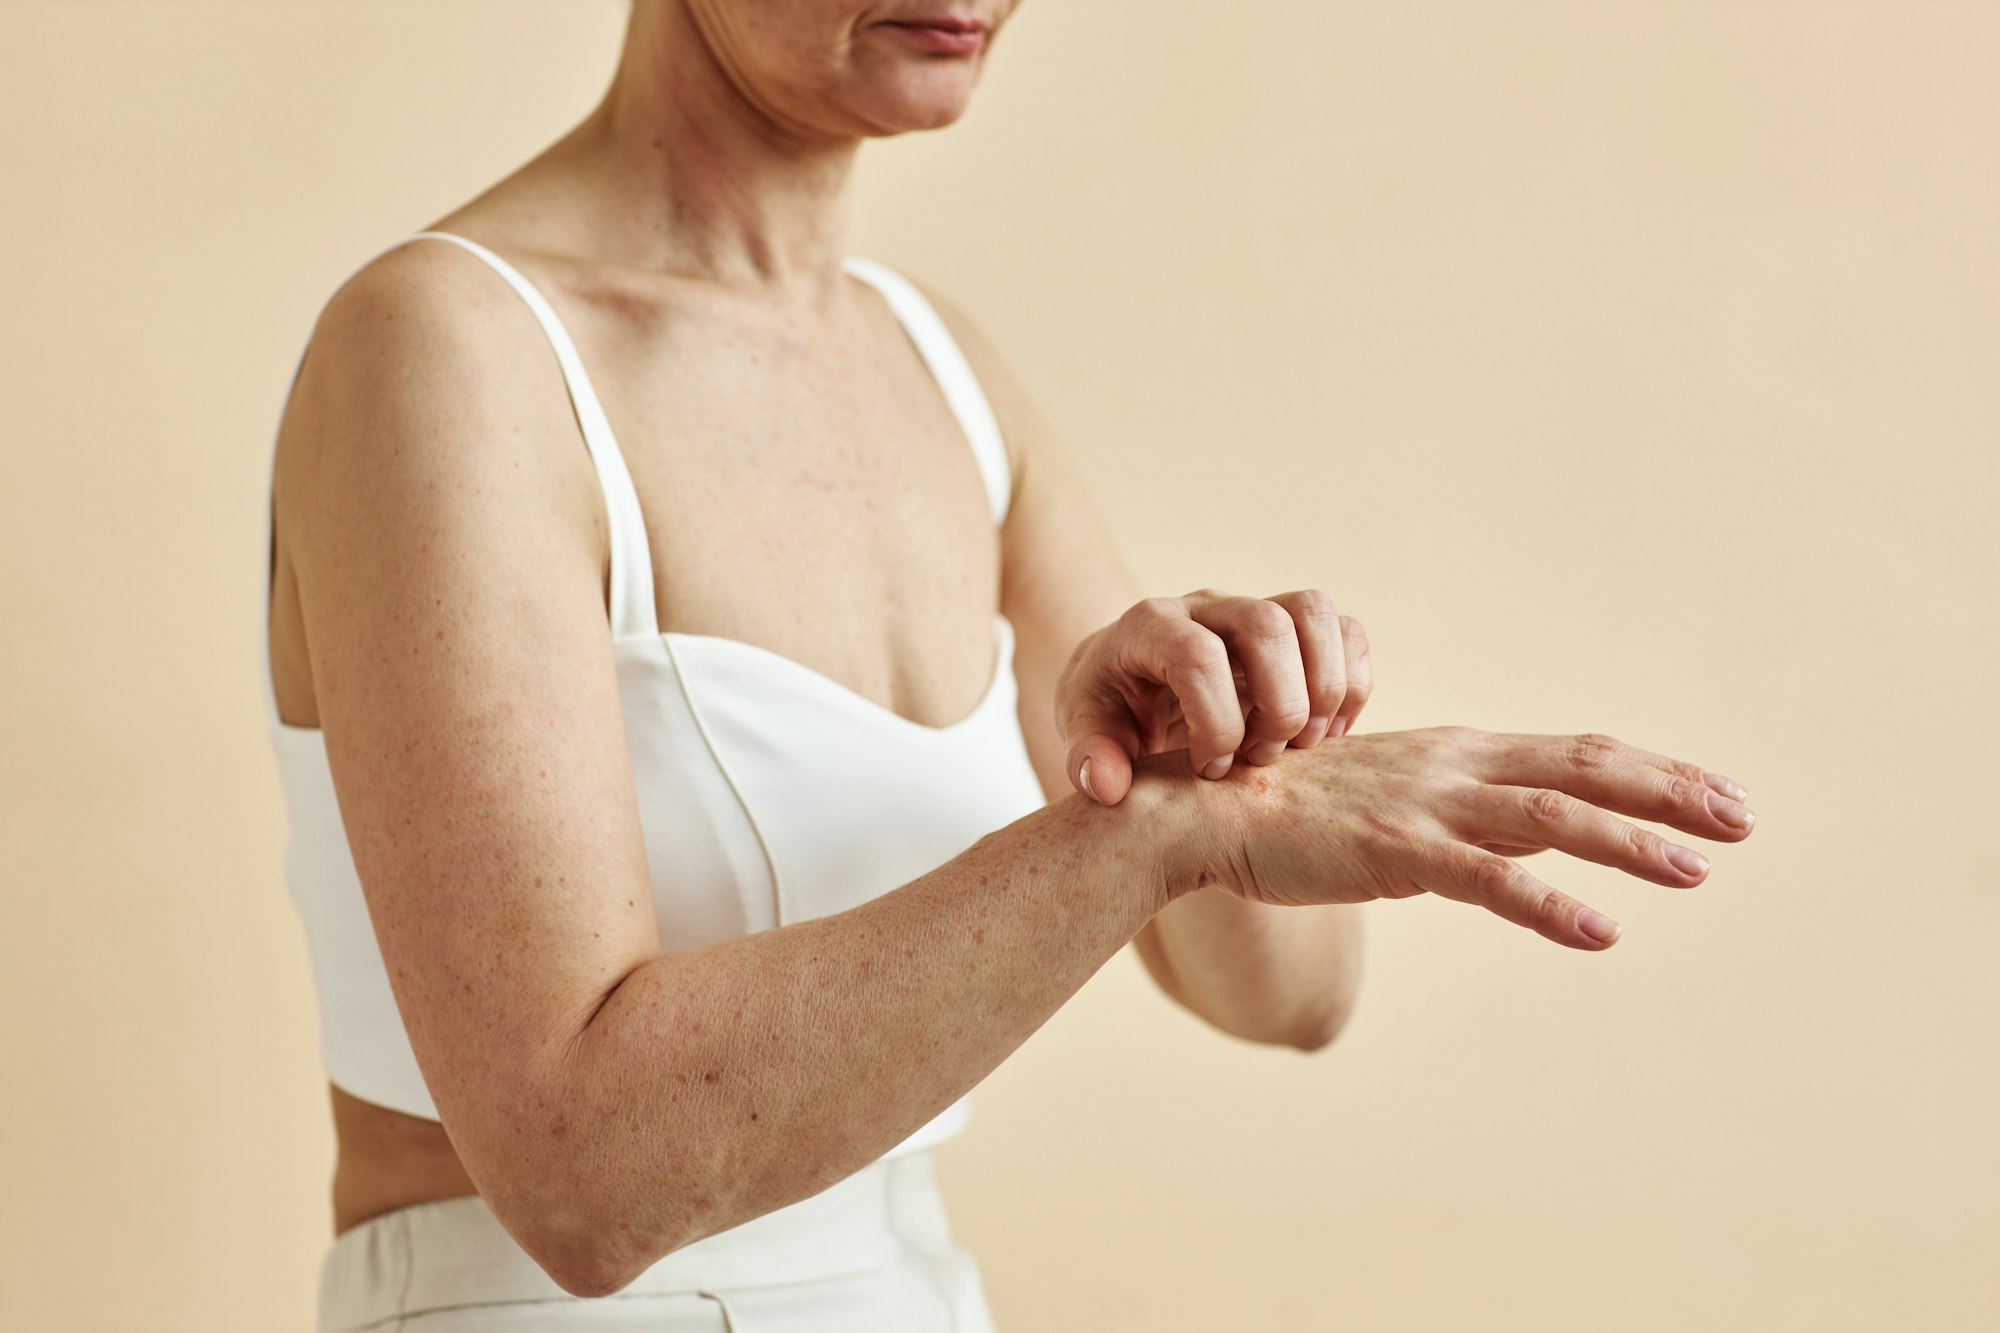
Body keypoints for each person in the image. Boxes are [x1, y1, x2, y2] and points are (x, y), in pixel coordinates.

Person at [261, 2, 1757, 1329]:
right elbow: (582, 1183)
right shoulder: (446, 350)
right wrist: (1155, 840)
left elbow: (1284, 992)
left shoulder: (936, 368)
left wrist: (1248, 756)